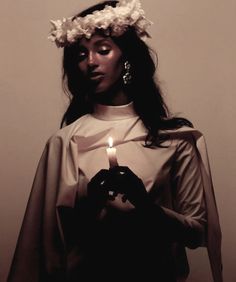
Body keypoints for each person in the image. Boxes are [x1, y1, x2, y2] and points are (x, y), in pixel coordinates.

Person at [7, 0, 222, 281]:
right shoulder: (63, 142)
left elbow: (198, 232)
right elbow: (41, 243)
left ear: (127, 58)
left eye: (103, 50)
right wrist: (89, 204)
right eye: (81, 54)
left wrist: (144, 206)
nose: (90, 62)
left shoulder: (175, 139)